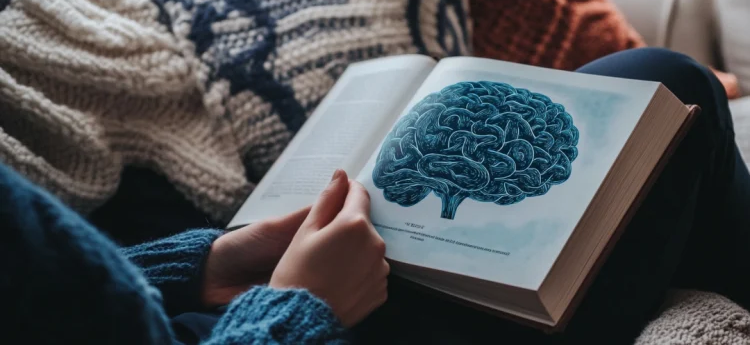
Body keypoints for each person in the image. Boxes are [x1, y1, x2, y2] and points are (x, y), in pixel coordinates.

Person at [0, 47, 747, 344]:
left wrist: (205, 262)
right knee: (679, 90)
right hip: (283, 331)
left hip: (208, 314)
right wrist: (300, 309)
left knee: (665, 82)